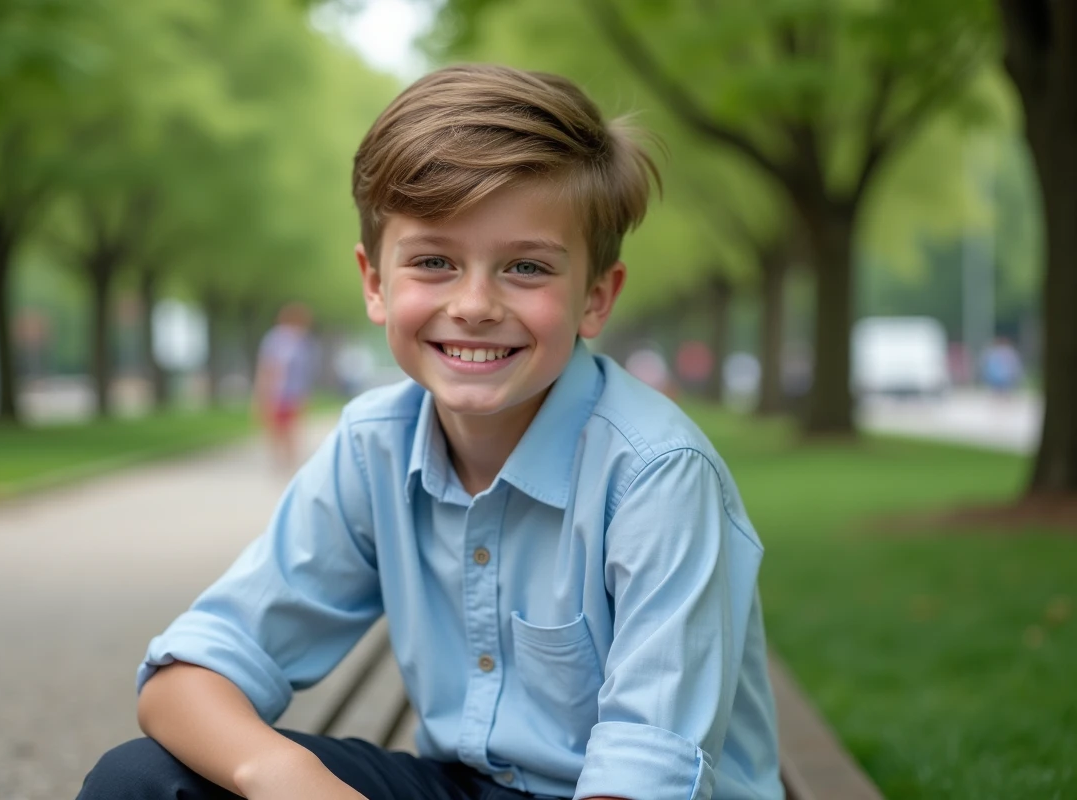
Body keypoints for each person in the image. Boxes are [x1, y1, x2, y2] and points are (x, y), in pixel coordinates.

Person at [78, 64, 782, 800]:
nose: (474, 304)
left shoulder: (656, 476)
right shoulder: (373, 445)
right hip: (470, 784)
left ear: (595, 298)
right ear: (376, 283)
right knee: (143, 781)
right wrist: (284, 776)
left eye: (525, 267)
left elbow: (641, 780)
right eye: (435, 262)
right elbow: (185, 679)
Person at [253, 303, 319, 466]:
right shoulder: (275, 339)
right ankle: (279, 460)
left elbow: (306, 371)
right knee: (275, 427)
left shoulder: (304, 341)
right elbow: (266, 366)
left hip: (294, 391)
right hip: (275, 390)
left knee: (291, 427)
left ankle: (288, 461)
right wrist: (262, 391)